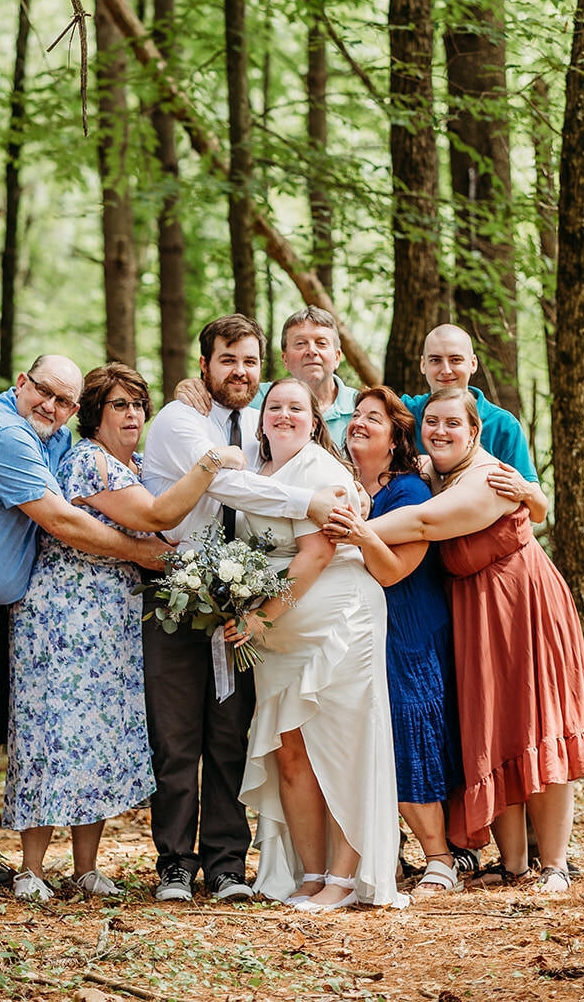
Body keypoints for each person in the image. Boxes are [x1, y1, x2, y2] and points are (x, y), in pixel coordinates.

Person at [0, 356, 174, 895]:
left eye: (65, 401)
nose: (53, 406)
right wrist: (142, 553)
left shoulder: (53, 438)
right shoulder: (4, 434)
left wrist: (187, 399)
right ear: (21, 383)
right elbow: (64, 521)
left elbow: (115, 461)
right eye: (44, 392)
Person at [327, 385, 584, 897]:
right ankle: (515, 865)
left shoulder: (491, 477)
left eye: (454, 423)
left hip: (523, 608)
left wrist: (350, 532)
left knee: (538, 723)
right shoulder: (434, 471)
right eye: (432, 421)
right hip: (474, 615)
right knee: (494, 732)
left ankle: (556, 865)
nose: (441, 430)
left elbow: (425, 521)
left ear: (475, 431)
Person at [3, 362, 248, 901]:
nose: (133, 413)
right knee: (53, 733)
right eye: (119, 404)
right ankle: (31, 869)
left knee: (96, 737)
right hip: (64, 616)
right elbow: (159, 512)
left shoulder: (131, 463)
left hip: (112, 619)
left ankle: (86, 868)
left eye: (139, 404)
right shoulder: (90, 461)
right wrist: (213, 460)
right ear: (94, 414)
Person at [140, 315, 350, 905]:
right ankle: (176, 865)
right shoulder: (182, 421)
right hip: (177, 594)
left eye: (250, 361)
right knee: (177, 736)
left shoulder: (264, 431)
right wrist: (310, 501)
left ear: (264, 370)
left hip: (245, 600)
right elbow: (227, 490)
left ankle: (228, 864)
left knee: (231, 735)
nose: (240, 371)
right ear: (204, 366)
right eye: (228, 359)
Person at [225, 379, 407, 910]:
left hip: (337, 624)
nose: (283, 415)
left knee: (342, 749)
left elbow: (318, 553)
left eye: (295, 408)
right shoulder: (256, 476)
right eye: (274, 406)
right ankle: (308, 873)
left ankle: (345, 877)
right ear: (261, 419)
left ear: (313, 420)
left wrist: (262, 616)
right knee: (290, 753)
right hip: (279, 636)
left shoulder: (321, 471)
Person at [343, 386, 463, 895]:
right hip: (357, 632)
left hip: (408, 630)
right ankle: (385, 855)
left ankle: (441, 860)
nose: (360, 422)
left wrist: (359, 531)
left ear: (395, 438)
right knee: (366, 739)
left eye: (374, 417)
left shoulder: (410, 491)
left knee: (408, 732)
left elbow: (395, 573)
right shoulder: (342, 484)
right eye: (356, 415)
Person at [401, 324, 547, 522]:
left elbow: (539, 513)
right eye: (435, 360)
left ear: (473, 363)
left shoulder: (503, 425)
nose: (446, 370)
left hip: (478, 544)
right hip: (415, 538)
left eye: (455, 360)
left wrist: (526, 491)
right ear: (423, 365)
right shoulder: (405, 413)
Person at [175, 306, 358, 450]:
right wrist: (189, 385)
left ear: (337, 357)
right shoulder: (254, 395)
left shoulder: (360, 407)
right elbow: (220, 387)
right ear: (284, 359)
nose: (311, 351)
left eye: (321, 343)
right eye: (300, 343)